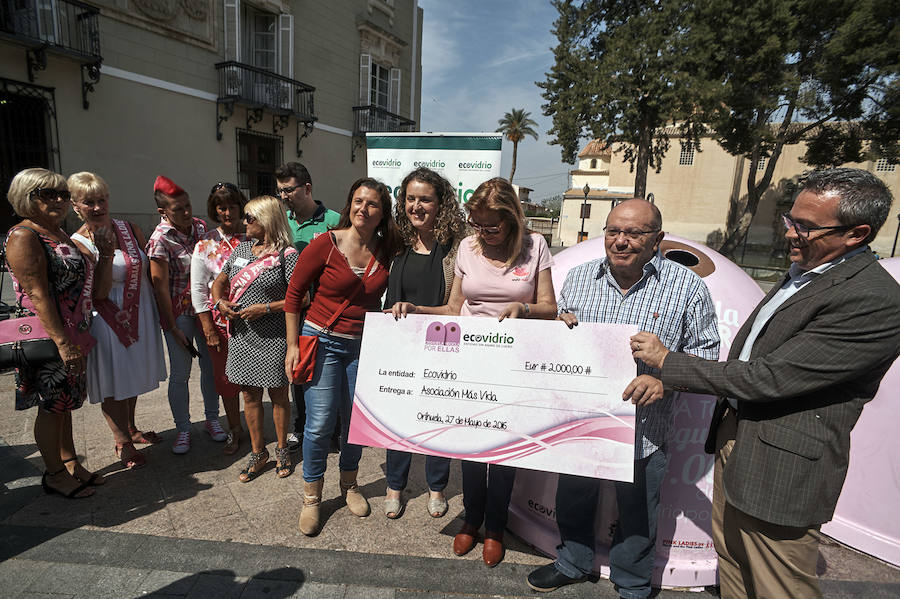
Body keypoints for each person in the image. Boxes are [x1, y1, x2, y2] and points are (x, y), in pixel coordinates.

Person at [631, 168, 900, 599]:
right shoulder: (809, 269)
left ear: (857, 233)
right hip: (738, 437)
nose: (790, 233)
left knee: (778, 583)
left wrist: (668, 362)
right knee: (734, 562)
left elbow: (770, 376)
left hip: (782, 463)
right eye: (790, 219)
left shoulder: (872, 299)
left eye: (805, 226)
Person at [524, 198, 720, 597]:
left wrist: (667, 381)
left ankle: (632, 583)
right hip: (582, 422)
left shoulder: (687, 288)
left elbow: (709, 355)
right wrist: (560, 327)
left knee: (638, 511)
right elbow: (562, 342)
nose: (620, 241)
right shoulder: (579, 277)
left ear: (657, 239)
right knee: (574, 495)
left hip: (646, 428)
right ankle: (573, 561)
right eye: (613, 231)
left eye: (633, 233)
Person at [389, 177, 558, 567]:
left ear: (512, 218)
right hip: (470, 362)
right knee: (472, 446)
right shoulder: (468, 247)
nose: (482, 233)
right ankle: (472, 518)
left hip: (515, 363)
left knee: (504, 449)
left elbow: (549, 306)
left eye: (491, 226)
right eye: (477, 224)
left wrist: (525, 309)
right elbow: (454, 309)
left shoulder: (535, 246)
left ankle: (495, 527)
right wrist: (415, 309)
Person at [284, 177, 401, 536]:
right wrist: (292, 346)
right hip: (321, 340)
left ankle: (349, 484)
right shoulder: (326, 243)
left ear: (382, 212)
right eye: (358, 201)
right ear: (350, 204)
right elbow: (294, 294)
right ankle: (312, 498)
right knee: (319, 423)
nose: (364, 208)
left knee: (355, 424)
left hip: (362, 346)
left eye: (373, 204)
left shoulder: (388, 250)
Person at [4, 168, 101, 498]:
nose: (59, 200)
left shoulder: (57, 233)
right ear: (26, 198)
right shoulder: (24, 235)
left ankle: (70, 463)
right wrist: (62, 343)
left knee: (64, 404)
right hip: (48, 337)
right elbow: (37, 294)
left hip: (69, 331)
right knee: (51, 406)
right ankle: (55, 475)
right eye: (48, 194)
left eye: (63, 194)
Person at [382, 167, 467, 520]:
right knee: (398, 416)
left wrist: (416, 310)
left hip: (441, 344)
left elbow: (455, 308)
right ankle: (394, 487)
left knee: (437, 417)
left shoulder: (456, 247)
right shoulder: (395, 240)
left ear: (441, 203)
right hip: (398, 343)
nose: (416, 206)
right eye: (410, 198)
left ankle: (436, 487)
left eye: (425, 200)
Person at [68, 172, 167, 469]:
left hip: (139, 311)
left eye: (102, 200)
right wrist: (107, 254)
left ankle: (132, 428)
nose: (98, 207)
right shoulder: (78, 242)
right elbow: (97, 292)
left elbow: (148, 267)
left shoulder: (129, 228)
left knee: (132, 374)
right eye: (89, 202)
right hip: (107, 319)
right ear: (76, 206)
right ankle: (121, 440)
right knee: (114, 379)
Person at [211, 196, 299, 481]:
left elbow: (302, 298)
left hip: (274, 337)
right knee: (249, 395)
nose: (244, 222)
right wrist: (220, 302)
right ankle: (258, 452)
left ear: (267, 220)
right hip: (242, 337)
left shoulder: (287, 255)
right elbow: (219, 283)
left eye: (250, 217)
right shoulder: (241, 249)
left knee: (278, 395)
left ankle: (282, 450)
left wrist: (266, 308)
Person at [146, 175, 223, 454]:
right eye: (178, 209)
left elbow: (213, 266)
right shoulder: (160, 240)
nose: (187, 212)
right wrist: (171, 327)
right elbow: (160, 288)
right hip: (179, 314)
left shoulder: (200, 228)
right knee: (180, 373)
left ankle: (212, 419)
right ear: (163, 211)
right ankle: (183, 428)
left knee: (210, 368)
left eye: (188, 205)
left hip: (205, 309)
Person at [275, 161, 340, 452]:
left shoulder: (334, 221)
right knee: (298, 370)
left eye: (289, 190)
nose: (284, 196)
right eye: (280, 191)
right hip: (292, 310)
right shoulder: (281, 222)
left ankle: (334, 429)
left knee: (327, 371)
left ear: (307, 188)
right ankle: (301, 427)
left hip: (326, 311)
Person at [191, 182, 248, 455]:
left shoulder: (253, 237)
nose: (227, 212)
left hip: (252, 320)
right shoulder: (205, 244)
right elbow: (198, 289)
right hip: (220, 323)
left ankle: (255, 430)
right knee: (226, 380)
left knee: (253, 378)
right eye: (221, 207)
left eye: (232, 206)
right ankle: (234, 429)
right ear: (214, 210)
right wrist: (208, 328)